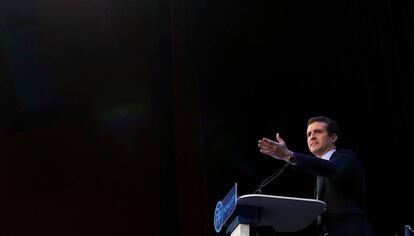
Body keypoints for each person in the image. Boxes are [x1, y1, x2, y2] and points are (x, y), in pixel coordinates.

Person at [257, 116, 375, 236]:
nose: (312, 137)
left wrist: (289, 156)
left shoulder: (346, 157)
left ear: (333, 137)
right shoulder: (319, 172)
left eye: (318, 132)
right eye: (309, 134)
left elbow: (332, 169)